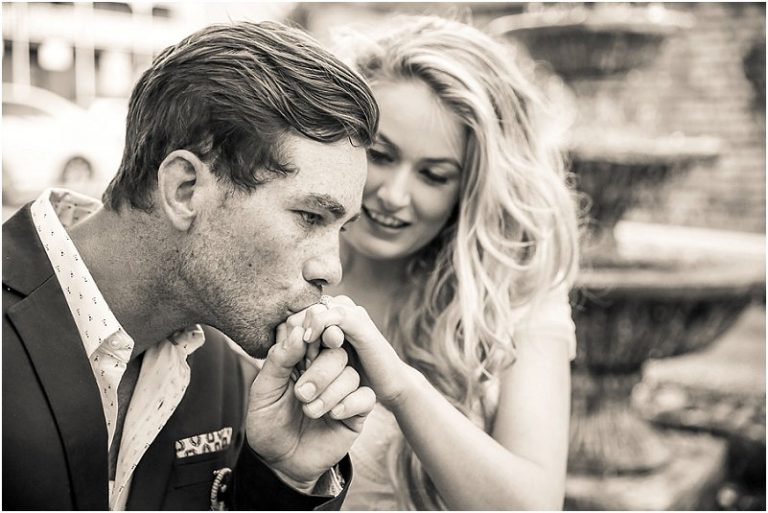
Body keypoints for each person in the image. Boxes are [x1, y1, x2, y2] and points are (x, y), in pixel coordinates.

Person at [2, 20, 379, 510]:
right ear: (185, 189)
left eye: (341, 228)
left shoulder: (233, 379)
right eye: (310, 216)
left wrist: (284, 479)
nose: (331, 269)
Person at [283, 15, 580, 510]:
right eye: (381, 156)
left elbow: (534, 504)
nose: (394, 195)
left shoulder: (517, 298)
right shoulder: (280, 260)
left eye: (434, 175)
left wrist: (401, 389)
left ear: (471, 188)